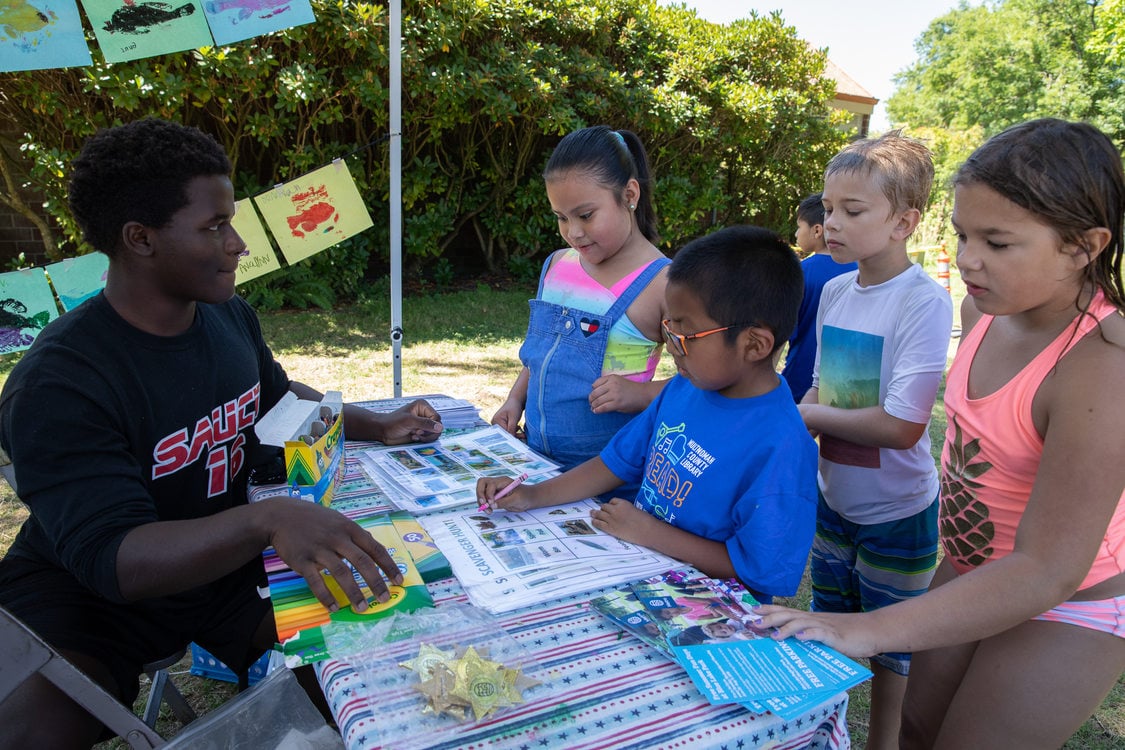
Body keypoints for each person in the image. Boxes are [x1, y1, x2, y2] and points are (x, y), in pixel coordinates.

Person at [0, 117, 443, 748]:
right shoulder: (58, 383)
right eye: (213, 227)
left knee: (386, 662)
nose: (238, 243)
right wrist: (267, 521)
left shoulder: (226, 315)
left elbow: (274, 397)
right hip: (92, 599)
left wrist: (375, 422)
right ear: (140, 239)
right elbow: (114, 561)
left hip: (227, 570)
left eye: (231, 221)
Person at [758, 118, 1125, 748]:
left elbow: (1047, 567)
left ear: (1084, 245)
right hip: (966, 566)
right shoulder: (979, 310)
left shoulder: (1103, 366)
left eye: (998, 242)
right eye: (961, 234)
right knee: (918, 732)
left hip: (1067, 598)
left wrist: (869, 630)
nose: (966, 259)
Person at [479, 226, 818, 602]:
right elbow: (615, 462)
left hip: (712, 616)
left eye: (684, 337)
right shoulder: (683, 390)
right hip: (643, 573)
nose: (671, 348)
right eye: (667, 330)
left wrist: (652, 533)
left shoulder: (782, 447)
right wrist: (532, 496)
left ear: (754, 344)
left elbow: (760, 571)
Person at [796, 132, 953, 749]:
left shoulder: (923, 301)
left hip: (897, 513)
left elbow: (900, 426)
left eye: (852, 211)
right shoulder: (835, 290)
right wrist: (789, 420)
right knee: (830, 629)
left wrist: (806, 419)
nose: (831, 223)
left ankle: (881, 741)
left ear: (903, 222)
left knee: (892, 648)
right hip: (833, 501)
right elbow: (819, 391)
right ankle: (821, 731)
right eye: (829, 209)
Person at [491, 125, 671, 473]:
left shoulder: (664, 282)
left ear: (630, 194)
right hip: (537, 464)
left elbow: (702, 379)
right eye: (561, 217)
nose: (573, 232)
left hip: (611, 478)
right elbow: (542, 354)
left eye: (586, 215)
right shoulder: (557, 265)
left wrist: (640, 396)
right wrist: (515, 399)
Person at [780, 192, 857, 401]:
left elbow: (780, 332)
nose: (796, 233)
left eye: (799, 226)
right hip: (845, 380)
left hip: (800, 376)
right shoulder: (860, 272)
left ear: (816, 230)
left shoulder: (799, 272)